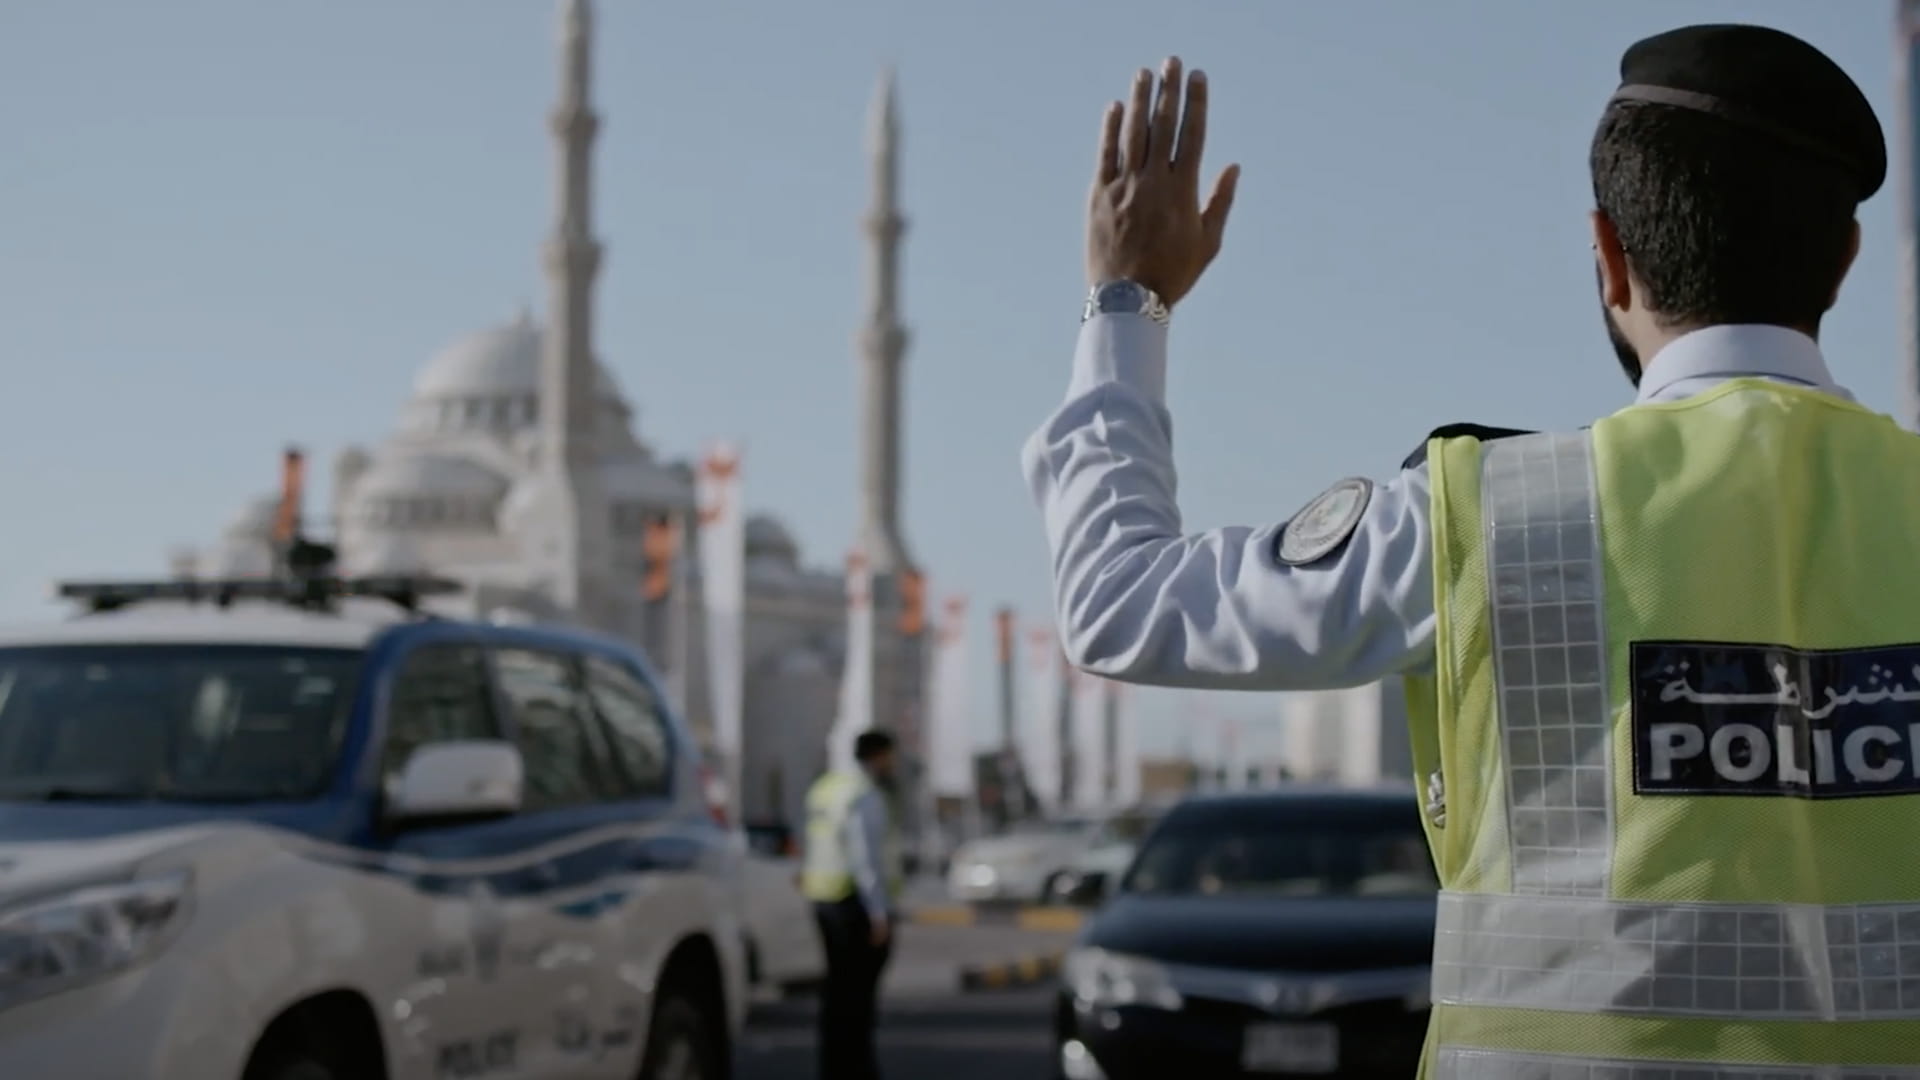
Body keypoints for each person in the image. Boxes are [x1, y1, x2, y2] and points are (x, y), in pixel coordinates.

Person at [1024, 25, 1919, 1078]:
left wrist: (1129, 300)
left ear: (1607, 253)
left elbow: (1120, 601)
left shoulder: (1490, 513)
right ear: (1845, 260)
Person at [800, 730, 903, 1080]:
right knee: (858, 997)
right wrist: (879, 913)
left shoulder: (827, 787)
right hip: (853, 903)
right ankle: (858, 1069)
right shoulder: (864, 794)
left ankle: (833, 1067)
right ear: (878, 755)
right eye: (890, 757)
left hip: (823, 898)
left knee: (836, 994)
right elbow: (866, 858)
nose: (893, 764)